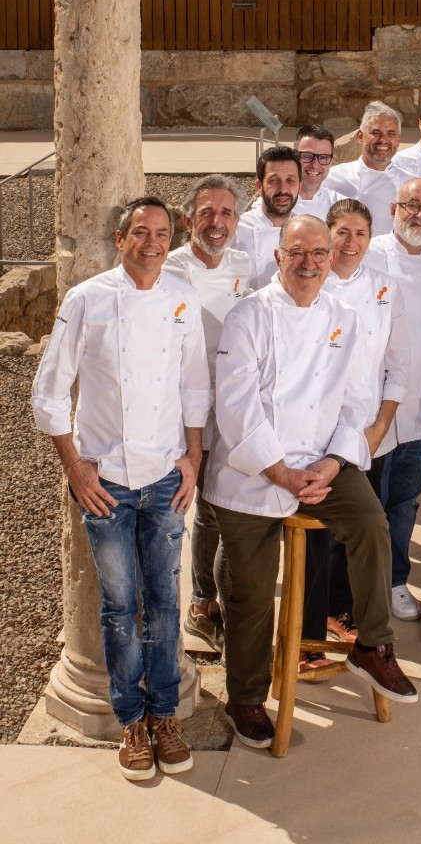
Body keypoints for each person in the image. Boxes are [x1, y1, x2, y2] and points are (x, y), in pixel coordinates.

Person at [207, 215, 417, 750]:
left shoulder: (344, 317)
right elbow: (236, 409)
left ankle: (373, 646)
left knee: (372, 524)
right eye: (298, 253)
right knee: (253, 593)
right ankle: (247, 697)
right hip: (252, 470)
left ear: (331, 260)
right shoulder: (248, 316)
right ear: (278, 257)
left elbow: (355, 402)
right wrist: (281, 472)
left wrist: (330, 465)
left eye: (319, 254)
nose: (309, 263)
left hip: (321, 463)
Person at [33, 197, 210, 780]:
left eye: (162, 232)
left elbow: (193, 387)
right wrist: (76, 469)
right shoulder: (86, 299)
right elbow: (50, 390)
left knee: (163, 603)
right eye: (141, 232)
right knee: (117, 607)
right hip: (105, 482)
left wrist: (194, 456)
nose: (152, 242)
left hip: (163, 479)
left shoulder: (182, 298)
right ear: (120, 237)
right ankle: (130, 720)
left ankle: (164, 715)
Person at [297, 198, 411, 675]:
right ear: (327, 237)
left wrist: (380, 428)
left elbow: (399, 365)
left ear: (371, 238)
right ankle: (305, 635)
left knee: (359, 536)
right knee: (316, 544)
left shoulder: (386, 288)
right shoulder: (306, 287)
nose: (350, 243)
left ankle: (343, 613)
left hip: (369, 432)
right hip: (314, 435)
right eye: (341, 233)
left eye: (360, 233)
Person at [164, 175, 253, 655]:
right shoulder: (170, 270)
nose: (216, 224)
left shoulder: (244, 265)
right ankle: (200, 602)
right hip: (180, 411)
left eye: (225, 214)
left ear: (236, 222)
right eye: (206, 213)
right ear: (187, 220)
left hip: (233, 407)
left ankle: (213, 599)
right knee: (194, 508)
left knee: (222, 507)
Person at [365, 178, 421, 631]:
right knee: (367, 506)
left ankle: (397, 579)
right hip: (369, 410)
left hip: (419, 409)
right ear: (393, 208)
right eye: (412, 205)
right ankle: (362, 586)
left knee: (404, 502)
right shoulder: (368, 254)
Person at [323, 101, 405, 236]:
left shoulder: (409, 183)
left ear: (398, 140)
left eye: (391, 133)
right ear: (360, 136)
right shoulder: (332, 177)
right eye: (376, 132)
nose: (383, 140)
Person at [234, 146, 303, 288]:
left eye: (290, 181)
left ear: (300, 186)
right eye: (273, 181)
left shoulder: (308, 232)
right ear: (259, 186)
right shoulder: (235, 229)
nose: (283, 189)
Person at [291, 124, 343, 221]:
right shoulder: (272, 203)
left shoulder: (340, 205)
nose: (315, 165)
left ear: (331, 161)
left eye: (323, 157)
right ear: (294, 157)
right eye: (307, 156)